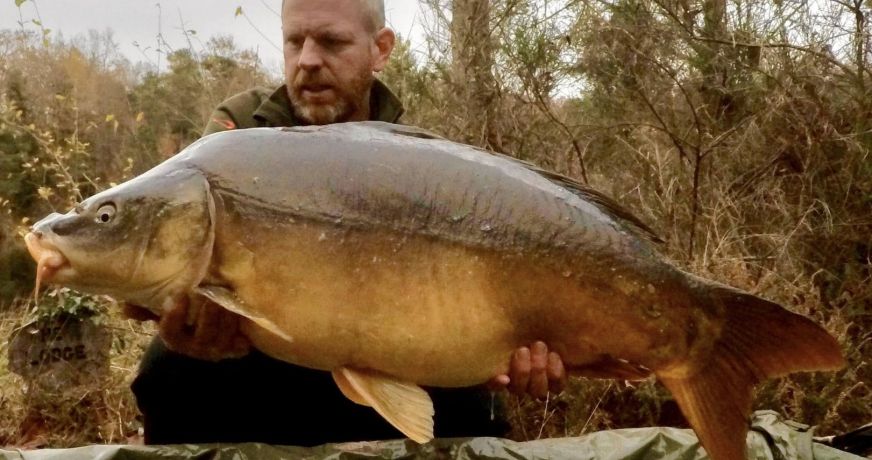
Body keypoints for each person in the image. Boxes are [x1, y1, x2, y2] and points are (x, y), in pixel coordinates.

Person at [126, 0, 567, 446]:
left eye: (332, 42)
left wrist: (486, 354)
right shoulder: (236, 136)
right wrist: (178, 321)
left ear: (381, 49)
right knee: (168, 369)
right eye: (295, 42)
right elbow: (156, 265)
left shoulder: (421, 160)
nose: (308, 60)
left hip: (387, 345)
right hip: (268, 351)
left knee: (474, 403)